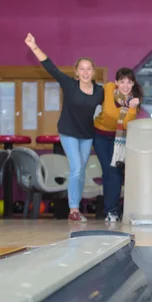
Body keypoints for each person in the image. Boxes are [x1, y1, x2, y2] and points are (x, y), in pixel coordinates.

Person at [24, 33, 104, 223]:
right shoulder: (69, 85)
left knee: (81, 170)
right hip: (68, 132)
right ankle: (74, 210)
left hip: (86, 135)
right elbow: (50, 66)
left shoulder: (100, 91)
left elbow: (114, 103)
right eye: (82, 69)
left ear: (93, 72)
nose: (85, 72)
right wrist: (34, 46)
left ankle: (76, 207)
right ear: (76, 72)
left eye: (88, 69)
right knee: (76, 168)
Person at [93, 68, 143, 222]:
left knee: (114, 172)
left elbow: (127, 124)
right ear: (116, 82)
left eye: (129, 82)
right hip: (100, 136)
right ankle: (110, 209)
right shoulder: (108, 89)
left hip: (119, 140)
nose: (125, 85)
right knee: (108, 170)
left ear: (133, 83)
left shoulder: (133, 101)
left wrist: (132, 108)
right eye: (122, 81)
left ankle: (112, 211)